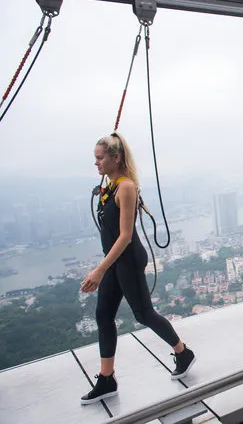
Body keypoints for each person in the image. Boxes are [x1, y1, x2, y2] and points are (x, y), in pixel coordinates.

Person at [79, 132, 195, 405]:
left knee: (143, 314)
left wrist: (99, 270)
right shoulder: (110, 187)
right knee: (103, 315)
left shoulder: (126, 188)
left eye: (100, 158)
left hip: (127, 260)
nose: (96, 163)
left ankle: (182, 352)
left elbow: (125, 236)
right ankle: (107, 378)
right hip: (115, 261)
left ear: (115, 158)